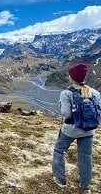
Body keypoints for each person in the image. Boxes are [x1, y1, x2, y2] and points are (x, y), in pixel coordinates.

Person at [52, 63, 101, 194]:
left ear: (72, 77)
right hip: (89, 130)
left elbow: (67, 114)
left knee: (59, 151)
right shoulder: (95, 93)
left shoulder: (66, 93)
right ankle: (85, 187)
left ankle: (60, 180)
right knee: (86, 156)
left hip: (70, 129)